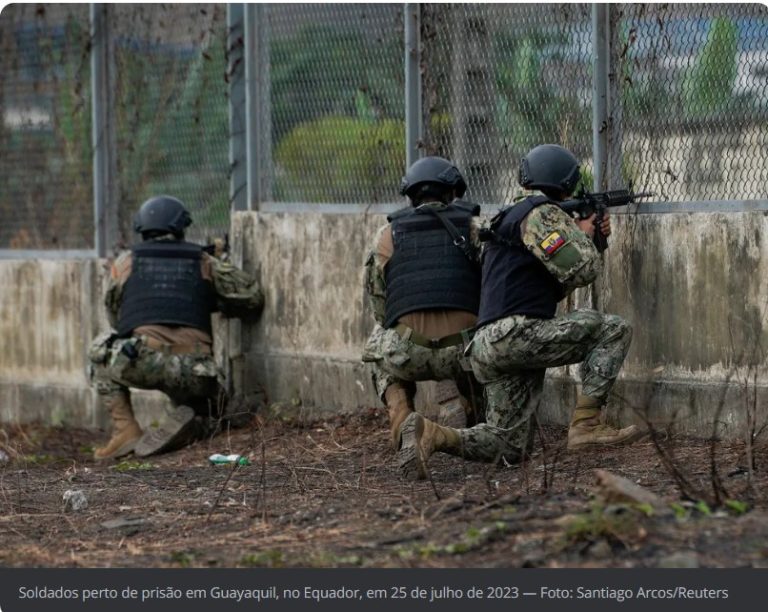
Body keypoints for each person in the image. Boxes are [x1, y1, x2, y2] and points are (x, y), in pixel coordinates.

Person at [397, 144, 640, 480]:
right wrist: (586, 237)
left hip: (487, 346)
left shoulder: (508, 218)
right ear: (565, 181)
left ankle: (433, 435)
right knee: (614, 328)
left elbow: (553, 283)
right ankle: (586, 424)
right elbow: (582, 270)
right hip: (516, 334)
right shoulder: (543, 214)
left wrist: (588, 238)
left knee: (507, 445)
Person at [88, 195, 263, 460]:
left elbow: (116, 316)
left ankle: (126, 431)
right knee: (209, 406)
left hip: (144, 360)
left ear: (143, 229)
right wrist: (213, 297)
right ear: (181, 227)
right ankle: (197, 422)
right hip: (195, 369)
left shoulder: (126, 262)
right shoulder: (204, 262)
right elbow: (252, 297)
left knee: (99, 355)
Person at [362, 156, 485, 455]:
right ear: (452, 191)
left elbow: (380, 306)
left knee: (377, 342)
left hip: (407, 351)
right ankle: (468, 410)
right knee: (476, 330)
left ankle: (402, 416)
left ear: (411, 194)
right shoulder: (474, 227)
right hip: (463, 352)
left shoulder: (387, 235)